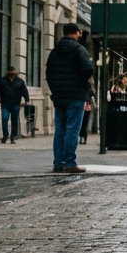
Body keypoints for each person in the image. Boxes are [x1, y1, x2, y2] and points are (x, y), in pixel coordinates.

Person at [46, 23, 95, 174]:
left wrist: (55, 90)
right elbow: (88, 69)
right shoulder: (80, 50)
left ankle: (58, 163)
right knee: (72, 129)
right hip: (75, 95)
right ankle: (70, 162)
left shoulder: (54, 51)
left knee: (60, 129)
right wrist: (81, 84)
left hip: (59, 96)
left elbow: (49, 73)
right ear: (77, 33)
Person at [0, 66, 31, 143]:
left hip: (16, 103)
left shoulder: (20, 82)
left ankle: (13, 136)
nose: (12, 74)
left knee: (14, 120)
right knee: (4, 119)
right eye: (11, 72)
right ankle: (5, 135)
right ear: (8, 72)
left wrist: (27, 100)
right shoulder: (3, 81)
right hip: (5, 103)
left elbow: (24, 91)